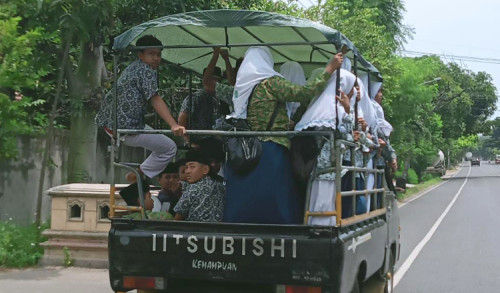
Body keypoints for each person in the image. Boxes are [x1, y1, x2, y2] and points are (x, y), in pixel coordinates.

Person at [223, 47, 343, 225]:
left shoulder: (243, 88)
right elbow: (304, 93)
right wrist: (329, 69)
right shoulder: (270, 83)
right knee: (277, 198)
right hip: (272, 149)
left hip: (249, 150)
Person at [95, 35, 185, 180]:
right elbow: (154, 98)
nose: (156, 58)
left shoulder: (134, 67)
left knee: (161, 144)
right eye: (151, 54)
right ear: (140, 54)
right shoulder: (146, 70)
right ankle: (137, 174)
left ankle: (138, 174)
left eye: (158, 54)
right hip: (127, 127)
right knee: (169, 148)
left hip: (113, 123)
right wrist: (173, 124)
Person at [294, 68, 357, 224]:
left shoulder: (319, 107)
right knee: (325, 200)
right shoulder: (334, 110)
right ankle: (322, 226)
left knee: (316, 198)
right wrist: (348, 111)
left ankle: (314, 224)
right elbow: (346, 137)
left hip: (316, 165)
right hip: (329, 165)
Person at [178, 48, 235, 145]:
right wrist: (189, 141)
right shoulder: (196, 97)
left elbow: (233, 84)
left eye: (218, 81)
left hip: (213, 140)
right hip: (198, 141)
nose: (216, 83)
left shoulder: (219, 97)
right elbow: (182, 119)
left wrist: (226, 59)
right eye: (213, 80)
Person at [173, 150, 225, 222]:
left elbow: (177, 219)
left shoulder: (193, 188)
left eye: (192, 167)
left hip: (195, 231)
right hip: (219, 230)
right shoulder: (221, 184)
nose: (187, 171)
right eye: (186, 167)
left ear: (205, 169)